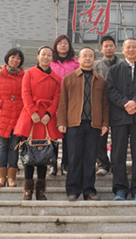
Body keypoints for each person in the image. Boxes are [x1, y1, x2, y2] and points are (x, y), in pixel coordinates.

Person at [57, 47, 109, 201]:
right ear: (78, 59)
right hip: (74, 124)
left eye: (90, 56)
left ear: (94, 59)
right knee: (74, 158)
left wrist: (105, 123)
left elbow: (105, 104)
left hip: (94, 125)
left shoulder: (101, 80)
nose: (87, 58)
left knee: (90, 158)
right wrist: (61, 122)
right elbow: (63, 102)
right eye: (84, 56)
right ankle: (72, 191)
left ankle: (89, 191)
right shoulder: (69, 78)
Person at [107, 38, 136, 201]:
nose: (131, 50)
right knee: (118, 155)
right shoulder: (114, 70)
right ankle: (120, 189)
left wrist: (135, 102)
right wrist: (125, 103)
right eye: (128, 47)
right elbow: (111, 90)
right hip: (119, 118)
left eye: (134, 47)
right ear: (122, 50)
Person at [13, 46, 63, 201]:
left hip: (47, 119)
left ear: (52, 58)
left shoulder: (56, 77)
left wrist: (49, 113)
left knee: (44, 156)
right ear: (38, 56)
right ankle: (27, 190)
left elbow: (57, 97)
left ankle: (40, 191)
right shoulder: (29, 73)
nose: (46, 57)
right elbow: (25, 93)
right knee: (29, 153)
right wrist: (33, 111)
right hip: (31, 117)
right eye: (43, 54)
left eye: (49, 55)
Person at [0, 48, 25, 188]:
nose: (15, 60)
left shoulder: (24, 76)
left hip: (18, 115)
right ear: (7, 58)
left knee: (14, 147)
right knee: (3, 146)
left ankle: (12, 177)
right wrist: (0, 103)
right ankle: (1, 177)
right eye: (13, 57)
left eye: (18, 58)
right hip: (3, 115)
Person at [50, 34, 80, 176]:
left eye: (65, 43)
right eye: (60, 43)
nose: (63, 45)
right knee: (52, 136)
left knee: (69, 138)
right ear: (55, 46)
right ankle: (52, 164)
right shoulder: (50, 63)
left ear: (69, 46)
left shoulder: (75, 64)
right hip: (52, 104)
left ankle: (65, 164)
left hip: (70, 105)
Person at [93, 35, 117, 176]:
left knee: (118, 138)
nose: (108, 48)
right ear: (101, 49)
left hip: (118, 105)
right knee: (100, 137)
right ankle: (102, 164)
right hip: (101, 105)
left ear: (115, 47)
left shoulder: (122, 63)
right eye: (105, 46)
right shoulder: (95, 65)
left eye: (111, 45)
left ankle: (115, 163)